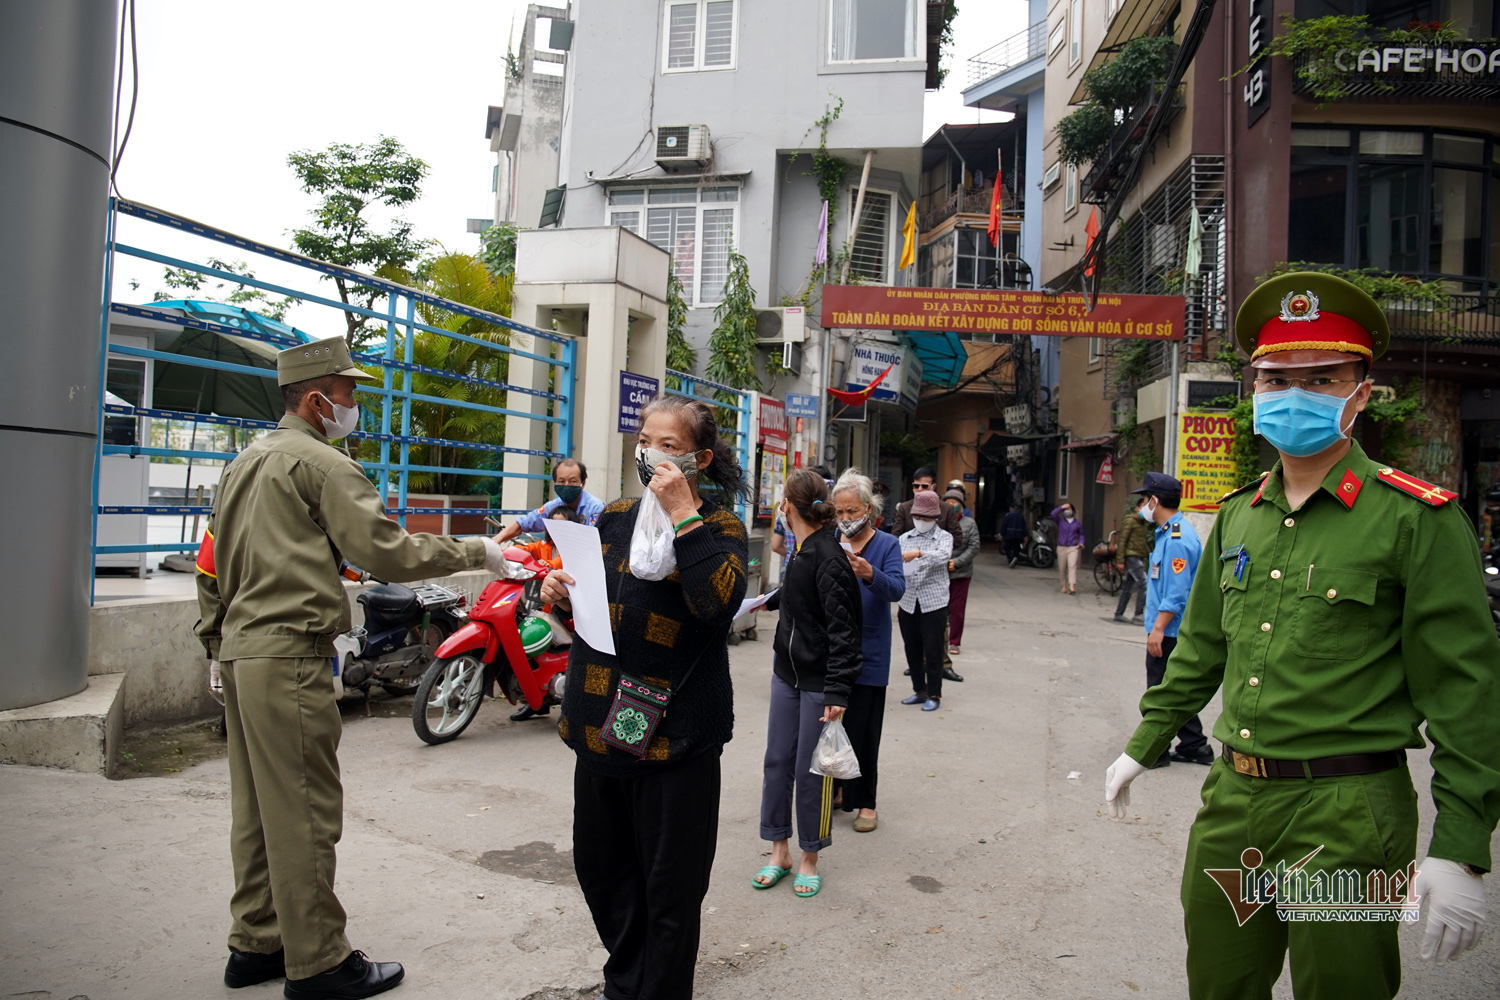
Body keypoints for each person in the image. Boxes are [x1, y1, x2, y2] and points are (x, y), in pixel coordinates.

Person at [1104, 272, 1500, 998]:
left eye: (1322, 378)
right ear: (1255, 390)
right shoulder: (1237, 516)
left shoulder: (1416, 520)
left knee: (1340, 989)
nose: (1294, 395)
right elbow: (1201, 652)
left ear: (1361, 392)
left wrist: (1462, 847)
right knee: (1221, 983)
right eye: (1276, 378)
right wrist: (1144, 742)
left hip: (1348, 815)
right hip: (1235, 803)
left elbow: (1466, 694)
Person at [195, 336, 515, 998]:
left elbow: (209, 563)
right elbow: (386, 552)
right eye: (348, 394)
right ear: (316, 400)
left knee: (259, 807)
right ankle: (317, 964)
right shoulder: (323, 465)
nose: (355, 405)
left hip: (243, 653)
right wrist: (479, 550)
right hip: (288, 656)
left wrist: (213, 645)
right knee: (307, 809)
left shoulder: (242, 464)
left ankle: (256, 942)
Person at [541, 393, 750, 1000]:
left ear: (700, 459)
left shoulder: (719, 527)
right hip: (599, 723)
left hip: (676, 735)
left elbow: (719, 603)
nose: (651, 455)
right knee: (602, 871)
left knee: (671, 887)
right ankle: (626, 980)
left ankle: (658, 991)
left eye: (669, 447)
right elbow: (589, 605)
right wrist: (557, 587)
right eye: (644, 441)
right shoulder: (614, 519)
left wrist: (684, 514)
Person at [753, 469, 863, 898]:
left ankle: (809, 857)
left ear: (789, 506)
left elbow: (844, 632)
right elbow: (800, 599)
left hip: (819, 683)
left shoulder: (830, 557)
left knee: (810, 770)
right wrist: (765, 602)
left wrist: (837, 691)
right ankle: (778, 849)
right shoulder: (799, 551)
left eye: (782, 500)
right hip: (787, 675)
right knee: (776, 761)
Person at [829, 468, 905, 833]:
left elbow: (896, 590)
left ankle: (867, 803)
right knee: (832, 727)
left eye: (852, 512)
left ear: (869, 510)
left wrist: (869, 573)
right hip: (833, 651)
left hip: (870, 650)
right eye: (839, 513)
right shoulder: (831, 540)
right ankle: (839, 789)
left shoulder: (887, 545)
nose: (845, 520)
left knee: (864, 730)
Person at [1131, 473, 1209, 768]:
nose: (1141, 506)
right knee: (1173, 688)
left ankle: (1157, 751)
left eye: (1144, 500)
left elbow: (1176, 593)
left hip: (1170, 629)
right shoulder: (1169, 532)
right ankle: (1194, 745)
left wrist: (1159, 629)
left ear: (1155, 500)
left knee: (1159, 691)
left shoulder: (1177, 539)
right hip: (1168, 628)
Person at [896, 489, 954, 712]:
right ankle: (918, 690)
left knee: (933, 649)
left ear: (935, 518)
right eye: (917, 517)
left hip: (933, 602)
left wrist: (919, 554)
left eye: (925, 518)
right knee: (912, 647)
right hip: (908, 600)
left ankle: (934, 693)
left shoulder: (944, 538)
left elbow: (942, 556)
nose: (921, 521)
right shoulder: (904, 538)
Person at [495, 458, 602, 542]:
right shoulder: (552, 507)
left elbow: (596, 541)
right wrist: (495, 541)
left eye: (573, 481)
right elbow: (523, 523)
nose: (566, 485)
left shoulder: (595, 508)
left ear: (583, 484)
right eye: (561, 481)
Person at [942, 488, 980, 659]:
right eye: (948, 502)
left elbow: (974, 547)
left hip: (961, 573)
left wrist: (956, 562)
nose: (952, 506)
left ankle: (954, 641)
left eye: (955, 503)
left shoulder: (969, 523)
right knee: (940, 608)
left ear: (961, 506)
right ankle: (939, 638)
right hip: (940, 572)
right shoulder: (938, 522)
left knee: (957, 609)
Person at [891, 466, 963, 548]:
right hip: (909, 556)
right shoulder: (904, 508)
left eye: (925, 486)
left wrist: (936, 549)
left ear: (933, 487)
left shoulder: (947, 508)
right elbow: (895, 536)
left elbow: (957, 539)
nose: (920, 489)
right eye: (916, 486)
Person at [1112, 495, 1152, 624]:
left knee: (1128, 586)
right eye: (1143, 507)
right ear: (1137, 508)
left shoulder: (1143, 524)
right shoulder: (1130, 521)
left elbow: (1143, 542)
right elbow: (1122, 540)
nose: (1145, 510)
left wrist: (1149, 555)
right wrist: (1120, 560)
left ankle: (1119, 613)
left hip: (1138, 555)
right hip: (1131, 556)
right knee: (1144, 583)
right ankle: (1138, 614)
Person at [1051, 501, 1084, 594]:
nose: (1067, 511)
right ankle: (1063, 586)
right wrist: (1062, 507)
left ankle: (1072, 586)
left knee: (1072, 566)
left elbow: (1081, 534)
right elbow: (1053, 514)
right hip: (1061, 547)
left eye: (1068, 509)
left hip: (1073, 547)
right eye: (1065, 510)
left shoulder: (1077, 523)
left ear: (1073, 511)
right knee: (1062, 568)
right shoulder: (1060, 520)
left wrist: (1081, 543)